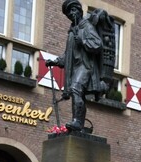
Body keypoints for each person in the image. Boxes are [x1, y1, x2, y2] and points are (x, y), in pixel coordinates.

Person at [45, 0, 112, 132]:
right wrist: (55, 62)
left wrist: (83, 41)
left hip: (86, 66)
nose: (71, 14)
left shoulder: (86, 26)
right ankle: (78, 124)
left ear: (79, 11)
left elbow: (97, 44)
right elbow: (67, 55)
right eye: (68, 13)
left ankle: (77, 121)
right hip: (75, 68)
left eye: (73, 10)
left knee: (76, 89)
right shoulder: (72, 32)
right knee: (78, 94)